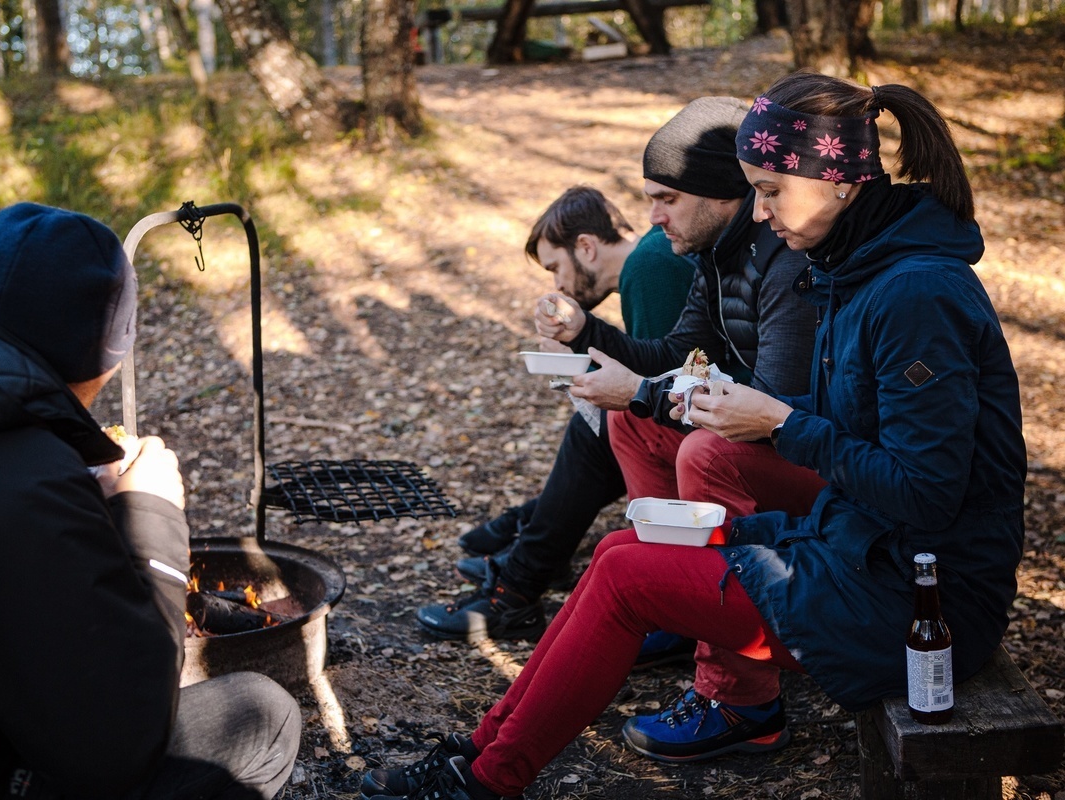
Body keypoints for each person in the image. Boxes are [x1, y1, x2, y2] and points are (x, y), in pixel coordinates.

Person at [357, 71, 1025, 800]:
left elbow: (926, 494)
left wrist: (779, 422)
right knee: (623, 547)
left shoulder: (913, 293)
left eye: (771, 189)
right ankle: (478, 752)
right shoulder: (858, 269)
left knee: (624, 578)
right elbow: (853, 429)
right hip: (863, 550)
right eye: (755, 190)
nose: (761, 211)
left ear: (837, 179)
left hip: (923, 602)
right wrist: (751, 411)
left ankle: (486, 781)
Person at [0, 203, 302, 799]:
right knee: (263, 716)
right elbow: (120, 743)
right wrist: (153, 518)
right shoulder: (27, 484)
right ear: (105, 356)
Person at [417, 97, 818, 665]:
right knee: (620, 423)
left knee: (652, 435)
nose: (653, 217)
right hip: (754, 438)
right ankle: (647, 586)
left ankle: (719, 666)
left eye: (666, 199)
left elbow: (764, 404)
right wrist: (585, 331)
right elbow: (676, 353)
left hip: (807, 458)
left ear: (720, 190)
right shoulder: (715, 256)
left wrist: (636, 392)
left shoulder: (743, 262)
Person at [419, 185, 695, 641]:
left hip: (709, 428)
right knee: (600, 427)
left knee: (597, 431)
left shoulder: (649, 267)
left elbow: (665, 379)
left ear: (586, 246)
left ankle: (522, 574)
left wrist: (584, 357)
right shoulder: (648, 258)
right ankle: (527, 548)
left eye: (556, 268)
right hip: (694, 416)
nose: (557, 285)